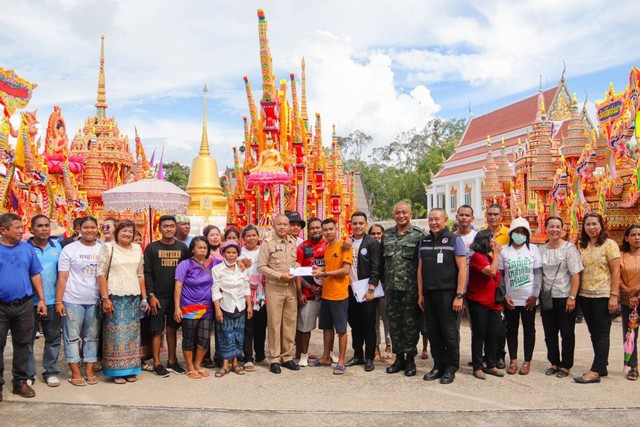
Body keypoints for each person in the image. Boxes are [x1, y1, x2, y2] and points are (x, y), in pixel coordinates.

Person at [417, 208, 467, 384]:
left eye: (437, 219)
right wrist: (420, 294)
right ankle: (438, 365)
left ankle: (451, 368)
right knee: (433, 331)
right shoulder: (424, 240)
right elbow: (420, 269)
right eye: (430, 219)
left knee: (450, 332)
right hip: (429, 295)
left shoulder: (454, 239)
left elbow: (462, 268)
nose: (433, 223)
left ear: (445, 220)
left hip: (449, 294)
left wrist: (459, 295)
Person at [0, 213, 46, 400]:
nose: (22, 231)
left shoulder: (27, 248)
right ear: (3, 230)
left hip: (24, 304)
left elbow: (35, 274)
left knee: (23, 344)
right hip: (1, 306)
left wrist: (41, 299)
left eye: (22, 227)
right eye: (17, 228)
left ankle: (20, 381)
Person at [98, 220, 147, 384]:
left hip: (133, 297)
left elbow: (140, 275)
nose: (127, 234)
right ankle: (116, 371)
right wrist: (105, 298)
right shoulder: (109, 247)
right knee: (116, 333)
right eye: (124, 230)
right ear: (117, 231)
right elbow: (101, 274)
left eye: (130, 231)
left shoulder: (137, 249)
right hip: (115, 297)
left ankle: (131, 368)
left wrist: (144, 297)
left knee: (132, 333)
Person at [55, 216, 102, 386]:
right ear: (78, 229)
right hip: (72, 299)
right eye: (85, 227)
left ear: (97, 228)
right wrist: (59, 301)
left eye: (92, 227)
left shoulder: (102, 249)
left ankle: (89, 371)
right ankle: (75, 372)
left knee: (92, 337)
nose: (89, 230)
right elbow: (62, 277)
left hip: (95, 300)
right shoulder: (69, 249)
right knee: (72, 337)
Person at [381, 202, 426, 377]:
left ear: (411, 214)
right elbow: (381, 261)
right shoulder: (387, 235)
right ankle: (398, 357)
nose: (401, 216)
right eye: (398, 213)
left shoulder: (419, 235)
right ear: (394, 215)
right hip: (392, 289)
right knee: (394, 324)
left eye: (404, 213)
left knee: (411, 325)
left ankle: (410, 359)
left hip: (411, 289)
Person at [575, 213, 620, 384]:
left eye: (594, 224)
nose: (591, 227)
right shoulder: (582, 245)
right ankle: (601, 365)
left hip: (603, 295)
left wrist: (614, 296)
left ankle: (595, 371)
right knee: (593, 333)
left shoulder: (610, 245)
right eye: (588, 224)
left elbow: (616, 271)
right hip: (585, 296)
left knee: (602, 334)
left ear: (601, 225)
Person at [144, 215, 190, 378]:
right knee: (157, 330)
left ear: (176, 228)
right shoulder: (152, 248)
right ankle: (156, 362)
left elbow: (188, 271)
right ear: (159, 228)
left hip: (176, 297)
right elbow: (147, 273)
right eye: (165, 226)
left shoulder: (183, 248)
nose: (169, 229)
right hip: (158, 296)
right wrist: (150, 295)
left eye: (172, 226)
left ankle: (172, 360)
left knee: (172, 329)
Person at [539, 217, 583, 379]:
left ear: (563, 229)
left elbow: (575, 275)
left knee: (567, 333)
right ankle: (554, 362)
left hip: (565, 296)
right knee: (549, 332)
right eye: (551, 226)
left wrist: (572, 296)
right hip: (547, 298)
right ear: (546, 228)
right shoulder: (541, 250)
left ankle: (566, 365)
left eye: (558, 227)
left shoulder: (569, 249)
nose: (555, 230)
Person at [499, 217, 542, 376]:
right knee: (511, 330)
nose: (519, 234)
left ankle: (527, 361)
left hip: (529, 299)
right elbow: (501, 276)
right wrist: (504, 296)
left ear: (527, 234)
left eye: (523, 232)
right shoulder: (504, 251)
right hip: (511, 299)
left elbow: (538, 274)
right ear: (511, 233)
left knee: (529, 330)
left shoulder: (533, 250)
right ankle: (513, 360)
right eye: (517, 231)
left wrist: (535, 295)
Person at [257, 214, 300, 374]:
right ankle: (274, 358)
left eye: (285, 224)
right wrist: (279, 275)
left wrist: (298, 266)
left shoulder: (293, 242)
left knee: (290, 322)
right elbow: (261, 267)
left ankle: (287, 357)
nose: (282, 227)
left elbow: (293, 262)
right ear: (273, 226)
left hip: (291, 287)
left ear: (289, 226)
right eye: (279, 224)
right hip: (275, 287)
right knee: (274, 323)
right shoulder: (267, 244)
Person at [312, 219, 353, 375]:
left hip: (339, 295)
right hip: (326, 294)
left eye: (331, 229)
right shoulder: (327, 247)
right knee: (326, 328)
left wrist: (325, 273)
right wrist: (320, 268)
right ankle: (325, 357)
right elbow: (330, 266)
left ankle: (341, 361)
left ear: (337, 229)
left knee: (341, 330)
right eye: (325, 230)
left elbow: (345, 270)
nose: (328, 232)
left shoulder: (344, 246)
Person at [26, 215, 62, 388]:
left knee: (53, 337)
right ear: (32, 229)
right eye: (39, 226)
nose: (44, 229)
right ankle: (27, 373)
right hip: (28, 303)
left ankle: (51, 371)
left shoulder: (58, 248)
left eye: (47, 225)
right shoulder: (24, 249)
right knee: (27, 339)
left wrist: (60, 299)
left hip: (53, 300)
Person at [173, 237, 215, 379]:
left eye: (205, 248)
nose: (202, 250)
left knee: (204, 338)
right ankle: (190, 366)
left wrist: (240, 261)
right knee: (189, 338)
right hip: (189, 307)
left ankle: (197, 364)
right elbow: (178, 287)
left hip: (207, 308)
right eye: (199, 247)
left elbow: (228, 263)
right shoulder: (185, 265)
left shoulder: (212, 262)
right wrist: (177, 308)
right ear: (192, 249)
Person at [466, 230, 504, 379]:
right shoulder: (477, 257)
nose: (494, 242)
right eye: (492, 239)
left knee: (493, 334)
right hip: (479, 301)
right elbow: (492, 272)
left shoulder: (488, 257)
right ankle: (478, 366)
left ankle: (491, 364)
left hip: (493, 302)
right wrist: (497, 254)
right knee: (479, 334)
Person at [345, 212, 381, 372]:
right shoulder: (347, 242)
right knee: (355, 325)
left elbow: (376, 268)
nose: (358, 226)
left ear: (366, 224)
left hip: (367, 291)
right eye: (355, 223)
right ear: (350, 225)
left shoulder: (372, 243)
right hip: (350, 290)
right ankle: (358, 354)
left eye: (361, 223)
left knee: (369, 325)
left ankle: (369, 357)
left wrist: (371, 289)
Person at [212, 240, 252, 377]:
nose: (231, 255)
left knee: (238, 336)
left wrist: (249, 306)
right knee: (225, 335)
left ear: (238, 254)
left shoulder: (242, 269)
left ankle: (235, 364)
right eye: (228, 252)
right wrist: (217, 309)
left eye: (234, 252)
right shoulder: (217, 270)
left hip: (240, 306)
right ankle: (224, 365)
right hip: (225, 306)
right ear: (223, 253)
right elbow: (215, 291)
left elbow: (246, 287)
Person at [295, 218, 325, 366]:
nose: (316, 230)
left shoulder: (329, 245)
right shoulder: (302, 248)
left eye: (318, 227)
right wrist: (300, 292)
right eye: (312, 228)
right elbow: (297, 272)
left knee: (328, 326)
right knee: (304, 326)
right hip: (308, 294)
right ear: (308, 231)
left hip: (327, 294)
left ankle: (328, 354)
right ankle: (303, 355)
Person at [483, 203, 509, 369]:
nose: (492, 217)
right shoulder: (481, 234)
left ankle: (500, 354)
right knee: (485, 323)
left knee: (501, 324)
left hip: (502, 281)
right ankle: (486, 355)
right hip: (485, 281)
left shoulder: (509, 234)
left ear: (501, 217)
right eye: (490, 214)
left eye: (495, 214)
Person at [239, 225, 267, 371]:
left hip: (262, 293)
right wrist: (240, 263)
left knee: (261, 325)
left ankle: (261, 354)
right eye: (248, 236)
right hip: (246, 294)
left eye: (253, 235)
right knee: (248, 326)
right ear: (243, 239)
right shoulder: (239, 253)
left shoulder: (263, 250)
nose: (251, 238)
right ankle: (248, 357)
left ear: (258, 237)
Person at [619, 224, 640, 381]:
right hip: (629, 302)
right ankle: (633, 366)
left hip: (635, 296)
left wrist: (635, 290)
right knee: (630, 334)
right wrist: (627, 290)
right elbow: (616, 276)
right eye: (633, 235)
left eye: (639, 235)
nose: (637, 237)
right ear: (626, 238)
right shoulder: (621, 256)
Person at [369, 224, 392, 362]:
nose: (376, 236)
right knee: (374, 320)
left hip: (384, 287)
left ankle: (389, 346)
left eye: (379, 233)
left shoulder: (387, 248)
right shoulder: (367, 248)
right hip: (370, 287)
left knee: (387, 318)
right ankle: (376, 347)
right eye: (373, 233)